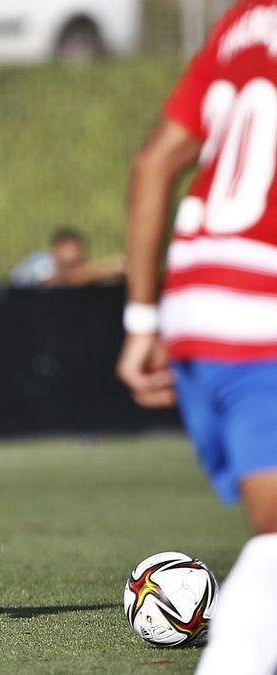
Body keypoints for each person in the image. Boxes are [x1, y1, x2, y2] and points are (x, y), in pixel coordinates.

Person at [116, 2, 277, 672]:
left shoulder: (245, 20)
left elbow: (156, 162)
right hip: (261, 313)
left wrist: (142, 321)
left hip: (196, 307)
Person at [10, 226, 122, 288]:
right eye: (69, 265)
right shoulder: (40, 262)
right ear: (54, 250)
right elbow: (57, 280)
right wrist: (105, 269)